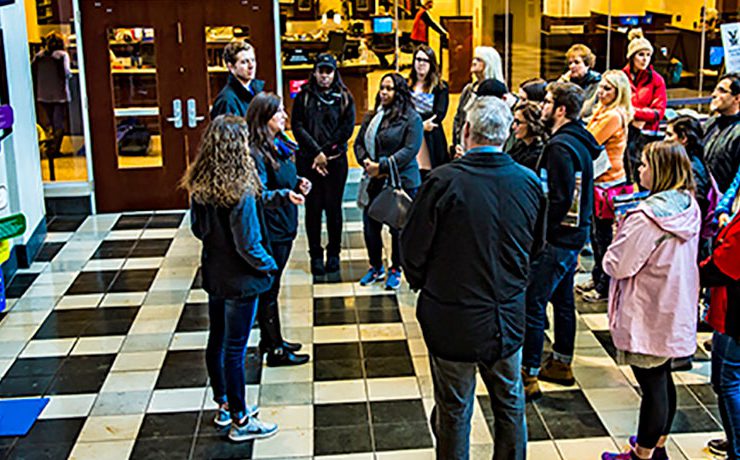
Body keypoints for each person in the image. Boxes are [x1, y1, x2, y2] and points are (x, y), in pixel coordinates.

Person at [401, 96, 545, 460]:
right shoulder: (528, 182)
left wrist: (425, 282)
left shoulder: (442, 181)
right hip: (506, 316)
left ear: (466, 131)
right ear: (507, 133)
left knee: (453, 409)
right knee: (510, 403)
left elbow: (413, 250)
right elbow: (536, 247)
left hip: (453, 316)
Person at [601, 141, 701, 460]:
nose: (639, 169)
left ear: (660, 171)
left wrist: (618, 236)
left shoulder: (646, 218)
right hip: (674, 302)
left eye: (644, 164)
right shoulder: (688, 204)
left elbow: (618, 264)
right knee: (663, 376)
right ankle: (657, 443)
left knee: (652, 385)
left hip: (648, 308)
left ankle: (642, 455)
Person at [183, 115, 279, 442]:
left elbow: (198, 230)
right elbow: (248, 243)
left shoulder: (200, 185)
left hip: (215, 273)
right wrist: (269, 265)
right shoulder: (241, 190)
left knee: (218, 339)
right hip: (242, 279)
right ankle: (241, 418)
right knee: (236, 348)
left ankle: (223, 404)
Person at [521, 82, 599, 400]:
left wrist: (540, 230)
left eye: (548, 102)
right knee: (563, 301)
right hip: (575, 234)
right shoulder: (581, 140)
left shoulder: (560, 147)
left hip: (557, 238)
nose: (543, 106)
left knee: (533, 302)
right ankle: (561, 363)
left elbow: (561, 197)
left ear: (561, 110)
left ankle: (528, 374)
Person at [246, 93, 311, 367]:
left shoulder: (280, 143)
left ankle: (272, 339)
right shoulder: (256, 151)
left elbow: (282, 177)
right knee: (269, 289)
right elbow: (259, 194)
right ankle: (275, 350)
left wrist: (298, 182)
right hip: (271, 228)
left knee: (273, 286)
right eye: (278, 112)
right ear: (264, 118)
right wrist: (286, 195)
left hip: (285, 223)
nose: (284, 116)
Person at [355, 73, 422, 290]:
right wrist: (366, 162)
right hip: (374, 180)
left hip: (402, 181)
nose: (384, 92)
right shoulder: (373, 116)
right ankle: (376, 267)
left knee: (398, 229)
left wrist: (382, 166)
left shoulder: (411, 118)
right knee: (370, 225)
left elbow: (410, 150)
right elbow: (359, 143)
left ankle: (396, 268)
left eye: (389, 89)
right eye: (382, 88)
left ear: (399, 92)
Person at [291, 54, 356, 276]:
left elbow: (346, 129)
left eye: (329, 72)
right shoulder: (303, 97)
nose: (325, 76)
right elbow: (297, 126)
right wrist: (316, 152)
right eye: (321, 71)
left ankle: (334, 253)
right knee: (313, 208)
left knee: (333, 208)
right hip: (308, 162)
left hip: (335, 162)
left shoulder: (345, 97)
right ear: (315, 72)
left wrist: (325, 153)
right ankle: (316, 254)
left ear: (335, 73)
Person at [577, 70, 633, 303]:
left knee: (603, 236)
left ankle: (604, 286)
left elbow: (589, 141)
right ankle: (597, 276)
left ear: (619, 92)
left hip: (608, 182)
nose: (601, 92)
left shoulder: (613, 116)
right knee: (596, 233)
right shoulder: (602, 110)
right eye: (601, 86)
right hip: (598, 179)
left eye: (607, 88)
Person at [701, 211, 740, 460]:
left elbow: (724, 266)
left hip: (734, 316)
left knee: (728, 382)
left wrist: (692, 272)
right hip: (728, 313)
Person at [452, 46, 504, 152]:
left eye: (479, 60)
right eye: (474, 59)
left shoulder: (498, 90)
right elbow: (459, 118)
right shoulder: (468, 89)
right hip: (463, 145)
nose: (474, 62)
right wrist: (457, 142)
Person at [409, 45, 450, 176]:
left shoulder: (440, 87)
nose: (421, 63)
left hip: (432, 136)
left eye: (425, 60)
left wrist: (424, 124)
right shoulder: (407, 85)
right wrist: (419, 126)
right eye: (418, 59)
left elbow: (439, 113)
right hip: (411, 134)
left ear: (431, 64)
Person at [32, 31, 72, 159]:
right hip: (59, 94)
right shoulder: (62, 56)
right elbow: (67, 72)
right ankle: (55, 149)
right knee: (58, 123)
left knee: (49, 122)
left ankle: (49, 146)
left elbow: (32, 71)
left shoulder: (39, 56)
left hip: (43, 94)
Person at [622, 29, 667, 133]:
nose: (645, 59)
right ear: (632, 57)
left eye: (648, 55)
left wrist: (633, 113)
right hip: (623, 131)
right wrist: (643, 114)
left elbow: (658, 113)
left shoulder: (657, 80)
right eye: (641, 54)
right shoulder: (621, 77)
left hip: (648, 133)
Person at [704, 73, 740, 192]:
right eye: (715, 90)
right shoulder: (710, 124)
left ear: (737, 98)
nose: (714, 94)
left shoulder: (737, 133)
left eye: (722, 91)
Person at [210, 41, 263, 118]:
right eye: (244, 62)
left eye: (253, 60)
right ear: (231, 67)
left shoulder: (257, 91)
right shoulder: (227, 100)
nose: (251, 66)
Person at [558, 44, 601, 118]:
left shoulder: (596, 82)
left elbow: (585, 110)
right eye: (570, 63)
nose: (572, 66)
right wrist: (563, 79)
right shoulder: (569, 81)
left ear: (587, 64)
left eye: (576, 62)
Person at [505, 101, 546, 171]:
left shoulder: (538, 153)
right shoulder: (519, 146)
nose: (513, 127)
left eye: (518, 122)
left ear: (531, 124)